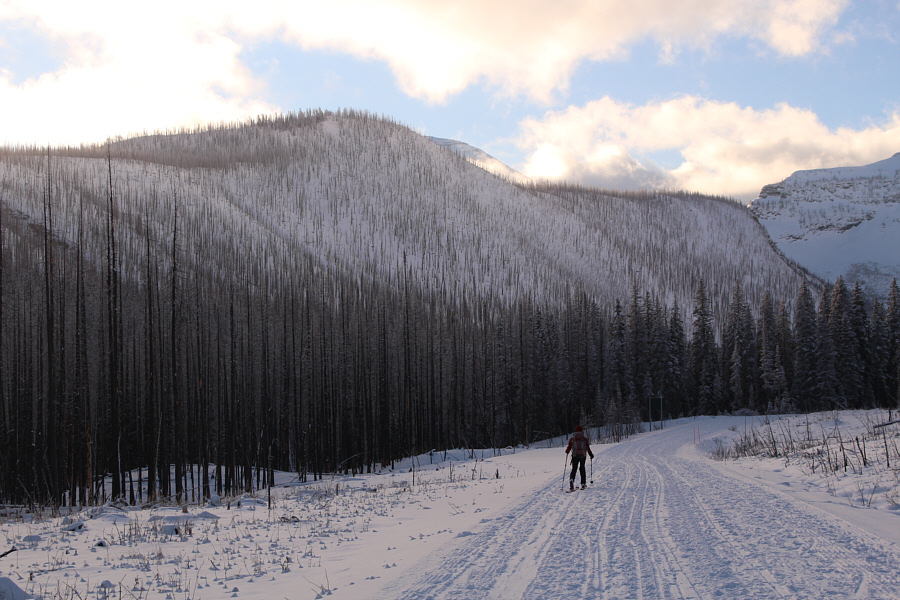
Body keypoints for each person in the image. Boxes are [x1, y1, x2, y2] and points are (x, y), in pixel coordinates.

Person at [565, 426, 593, 490]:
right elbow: (587, 447)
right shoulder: (584, 439)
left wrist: (567, 451)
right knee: (582, 468)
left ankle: (571, 479)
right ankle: (583, 484)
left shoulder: (572, 438)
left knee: (574, 468)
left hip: (575, 455)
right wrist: (590, 454)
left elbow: (569, 446)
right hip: (583, 455)